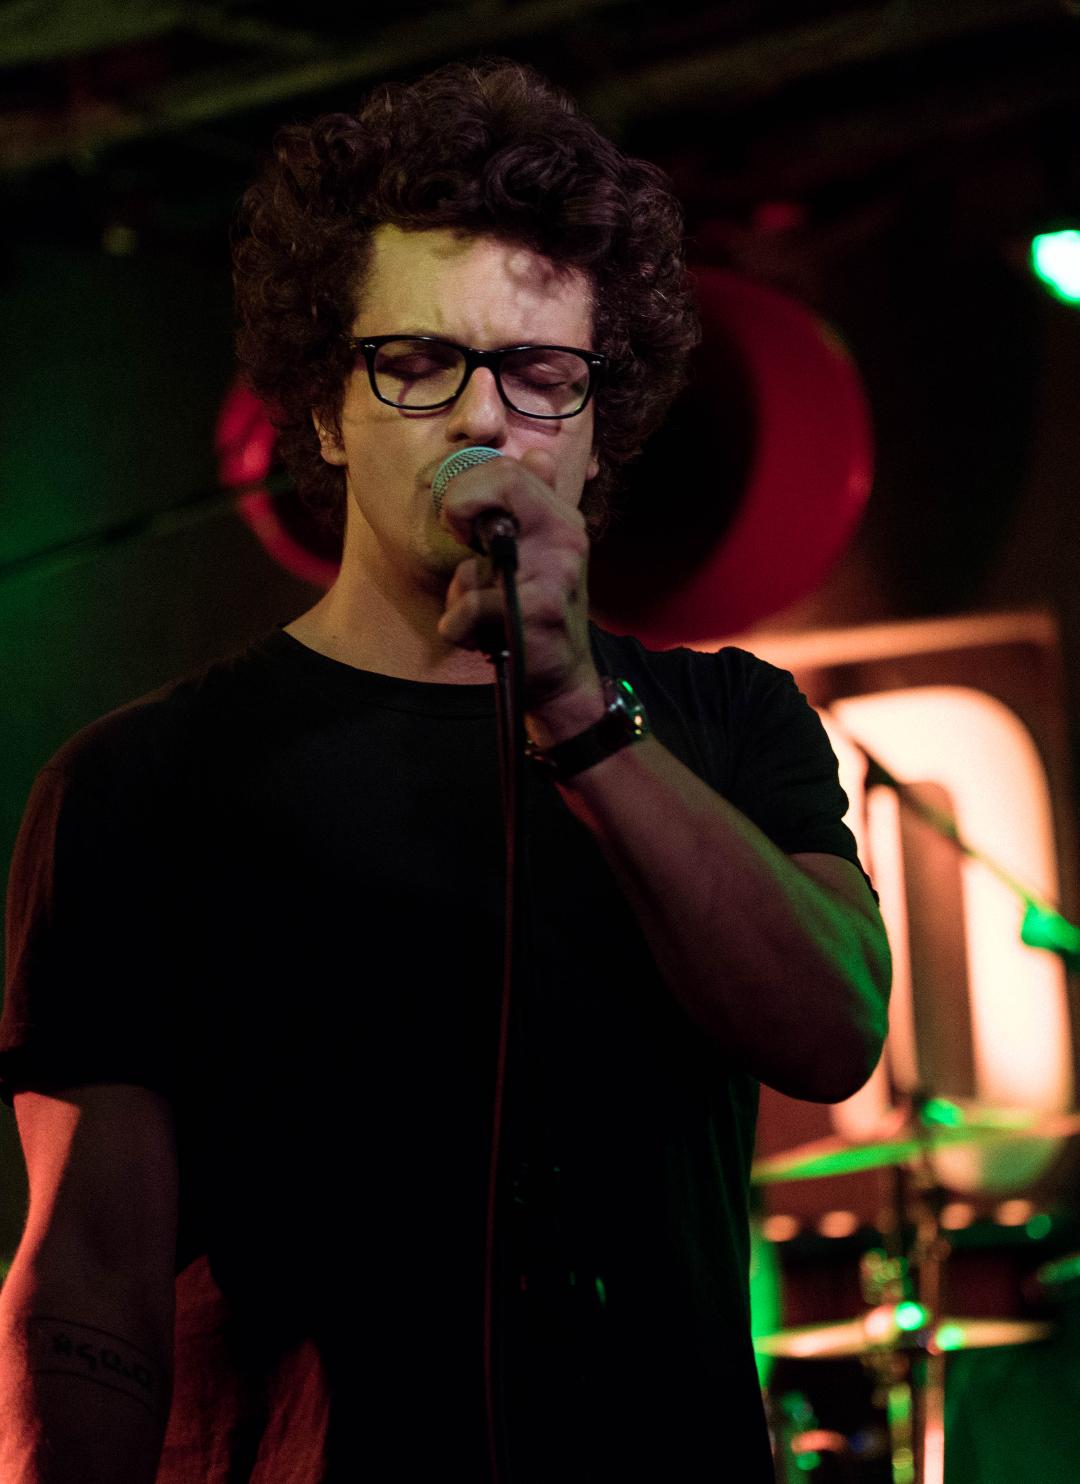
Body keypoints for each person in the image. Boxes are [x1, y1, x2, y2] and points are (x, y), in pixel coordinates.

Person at [0, 58, 891, 1484]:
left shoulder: (726, 722)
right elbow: (87, 1279)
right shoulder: (144, 782)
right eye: (418, 363)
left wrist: (577, 710)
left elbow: (833, 1030)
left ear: (597, 427)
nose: (483, 421)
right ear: (325, 408)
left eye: (540, 376)